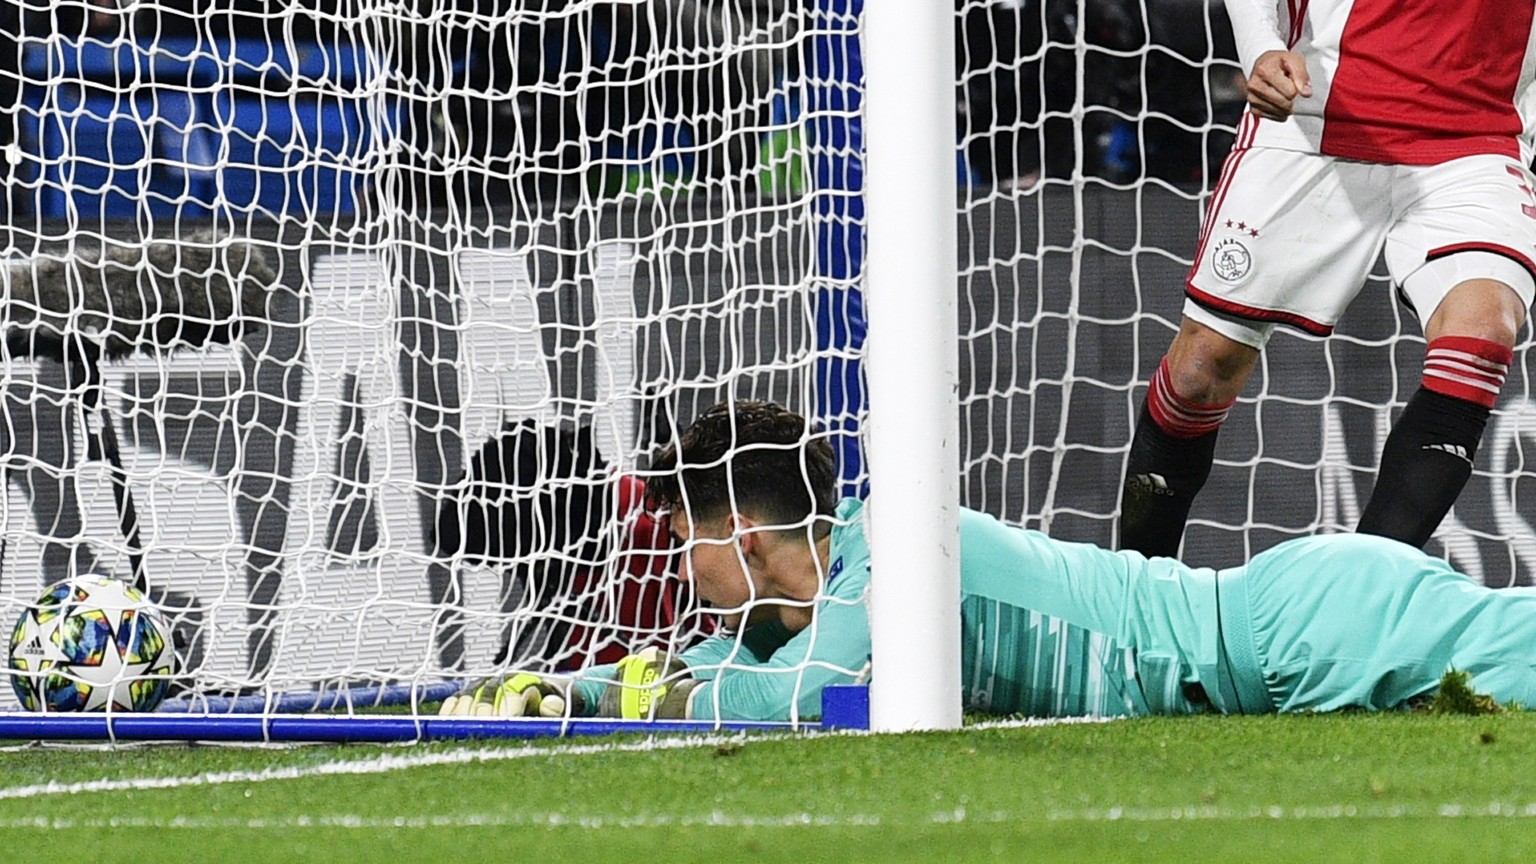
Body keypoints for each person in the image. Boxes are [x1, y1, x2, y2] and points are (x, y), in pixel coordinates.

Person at [441, 400, 1536, 722]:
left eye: (685, 538)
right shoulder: (792, 604)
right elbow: (710, 659)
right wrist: (555, 689)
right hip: (1264, 674)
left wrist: (656, 697)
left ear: (747, 536)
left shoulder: (895, 558)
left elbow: (811, 695)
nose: (679, 566)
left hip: (1293, 632)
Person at [1118, 0, 1536, 558]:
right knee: (1200, 373)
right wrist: (1261, 47)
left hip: (1475, 139)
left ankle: (1357, 603)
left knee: (1483, 331)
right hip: (1313, 116)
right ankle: (1139, 604)